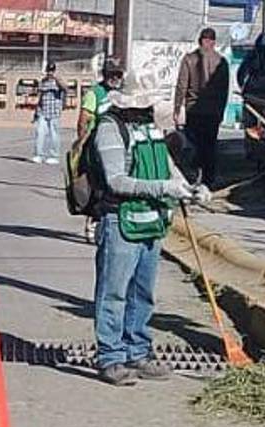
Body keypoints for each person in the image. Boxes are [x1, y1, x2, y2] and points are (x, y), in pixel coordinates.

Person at [91, 70, 210, 386]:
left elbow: (168, 167)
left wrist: (190, 189)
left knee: (142, 293)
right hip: (120, 220)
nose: (148, 109)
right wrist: (164, 189)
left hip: (152, 220)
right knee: (114, 292)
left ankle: (138, 352)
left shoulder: (151, 128)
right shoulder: (110, 129)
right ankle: (111, 357)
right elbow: (116, 181)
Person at [74, 57, 125, 242]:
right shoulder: (95, 93)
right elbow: (83, 120)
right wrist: (81, 142)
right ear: (105, 74)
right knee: (97, 186)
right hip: (97, 146)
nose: (115, 78)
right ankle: (93, 222)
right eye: (112, 74)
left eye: (118, 74)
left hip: (119, 145)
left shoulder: (123, 94)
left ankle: (107, 223)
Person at [174, 28, 230, 187]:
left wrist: (177, 109)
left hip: (194, 110)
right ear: (214, 42)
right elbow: (224, 91)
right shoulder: (221, 62)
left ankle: (194, 177)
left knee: (195, 144)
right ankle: (208, 180)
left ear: (200, 41)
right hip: (213, 111)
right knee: (210, 146)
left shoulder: (188, 59)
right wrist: (221, 112)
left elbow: (181, 86)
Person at [33, 63, 67, 165]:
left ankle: (54, 156)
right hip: (43, 111)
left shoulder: (58, 81)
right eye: (48, 71)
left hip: (54, 111)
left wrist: (56, 79)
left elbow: (65, 88)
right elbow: (40, 97)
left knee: (54, 134)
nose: (50, 73)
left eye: (51, 71)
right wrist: (36, 111)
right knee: (40, 133)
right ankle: (39, 155)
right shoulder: (43, 81)